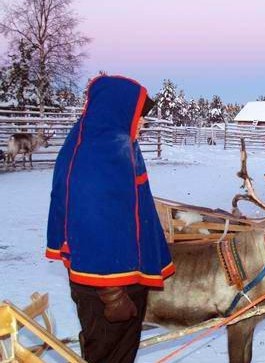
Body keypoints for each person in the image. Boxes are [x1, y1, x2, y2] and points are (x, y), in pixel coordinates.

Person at [46, 75, 175, 363]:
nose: (141, 122)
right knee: (109, 353)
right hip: (107, 284)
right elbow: (89, 220)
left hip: (117, 274)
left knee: (116, 350)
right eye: (137, 115)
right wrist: (111, 293)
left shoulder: (109, 144)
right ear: (118, 110)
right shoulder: (98, 155)